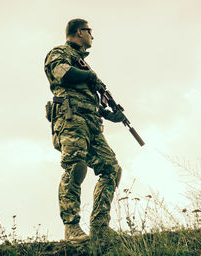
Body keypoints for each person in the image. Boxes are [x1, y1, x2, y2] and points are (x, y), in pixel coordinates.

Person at [44, 18, 124, 243]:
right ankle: (72, 227)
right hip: (70, 118)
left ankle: (100, 227)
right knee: (76, 167)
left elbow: (93, 101)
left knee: (111, 169)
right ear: (79, 32)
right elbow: (63, 74)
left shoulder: (83, 63)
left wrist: (110, 115)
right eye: (90, 31)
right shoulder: (59, 52)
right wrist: (89, 76)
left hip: (91, 123)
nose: (92, 36)